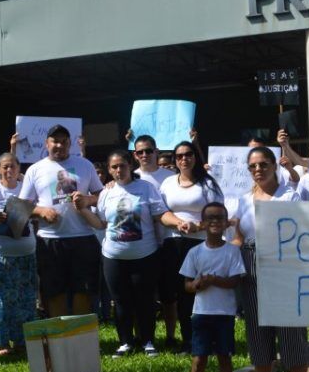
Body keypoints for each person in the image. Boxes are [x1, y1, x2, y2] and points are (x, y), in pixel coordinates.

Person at [233, 146, 309, 372]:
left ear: (274, 165)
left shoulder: (289, 196)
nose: (258, 170)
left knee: (290, 330)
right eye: (253, 166)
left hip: (283, 268)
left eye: (263, 165)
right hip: (250, 268)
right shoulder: (242, 200)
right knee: (257, 330)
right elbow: (237, 236)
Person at [79, 150, 168, 356]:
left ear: (130, 165)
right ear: (109, 170)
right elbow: (101, 224)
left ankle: (147, 341)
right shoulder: (105, 193)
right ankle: (125, 342)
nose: (119, 170)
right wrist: (82, 209)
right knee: (120, 301)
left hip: (145, 255)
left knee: (145, 301)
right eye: (114, 167)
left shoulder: (146, 188)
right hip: (113, 257)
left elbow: (159, 215)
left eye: (122, 165)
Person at [19, 124, 104, 317]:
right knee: (54, 292)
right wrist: (40, 211)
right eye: (55, 141)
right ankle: (60, 339)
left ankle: (80, 339)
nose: (60, 145)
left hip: (83, 237)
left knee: (83, 291)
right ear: (46, 143)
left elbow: (102, 195)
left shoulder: (85, 165)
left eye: (64, 141)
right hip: (50, 239)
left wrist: (87, 199)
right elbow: (21, 206)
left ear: (70, 143)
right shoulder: (35, 169)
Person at [179, 201, 246, 372]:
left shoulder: (232, 251)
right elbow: (187, 285)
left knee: (224, 357)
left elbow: (235, 280)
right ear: (203, 223)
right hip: (201, 312)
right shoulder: (195, 252)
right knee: (199, 358)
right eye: (210, 218)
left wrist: (214, 279)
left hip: (224, 313)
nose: (215, 221)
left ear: (227, 223)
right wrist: (199, 283)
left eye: (220, 218)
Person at [159, 140, 224, 353]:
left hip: (199, 245)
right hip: (173, 243)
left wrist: (199, 226)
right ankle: (188, 340)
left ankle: (209, 339)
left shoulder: (208, 184)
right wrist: (178, 223)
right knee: (180, 293)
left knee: (200, 292)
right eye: (179, 156)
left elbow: (218, 215)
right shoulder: (167, 183)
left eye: (188, 154)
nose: (183, 159)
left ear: (195, 157)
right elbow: (161, 213)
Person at [0, 150, 38, 357]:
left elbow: (37, 217)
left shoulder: (26, 189)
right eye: (4, 166)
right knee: (0, 300)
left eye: (12, 166)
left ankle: (22, 340)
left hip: (26, 253)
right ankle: (2, 342)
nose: (9, 170)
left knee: (24, 298)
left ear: (19, 169)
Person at [132, 134, 179, 348]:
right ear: (134, 155)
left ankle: (170, 336)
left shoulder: (170, 176)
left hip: (168, 242)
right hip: (142, 246)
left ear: (156, 152)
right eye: (140, 152)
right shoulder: (129, 177)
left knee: (169, 294)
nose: (144, 155)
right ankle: (141, 336)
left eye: (148, 151)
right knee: (141, 294)